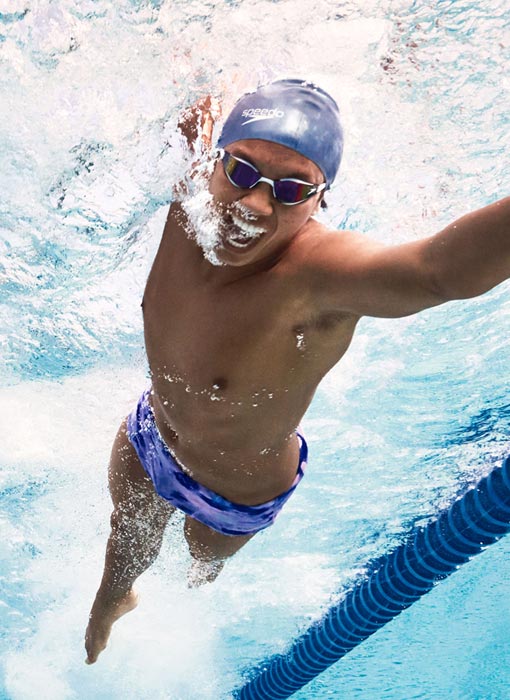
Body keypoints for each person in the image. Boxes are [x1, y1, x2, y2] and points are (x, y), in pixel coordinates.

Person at [85, 79, 509, 664]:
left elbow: (434, 272)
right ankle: (115, 602)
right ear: (215, 162)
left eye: (290, 190)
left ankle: (183, 597)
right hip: (150, 435)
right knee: (119, 559)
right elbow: (190, 80)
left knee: (197, 568)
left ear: (320, 201)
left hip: (232, 492)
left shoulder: (318, 277)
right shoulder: (190, 200)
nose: (255, 204)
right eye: (240, 173)